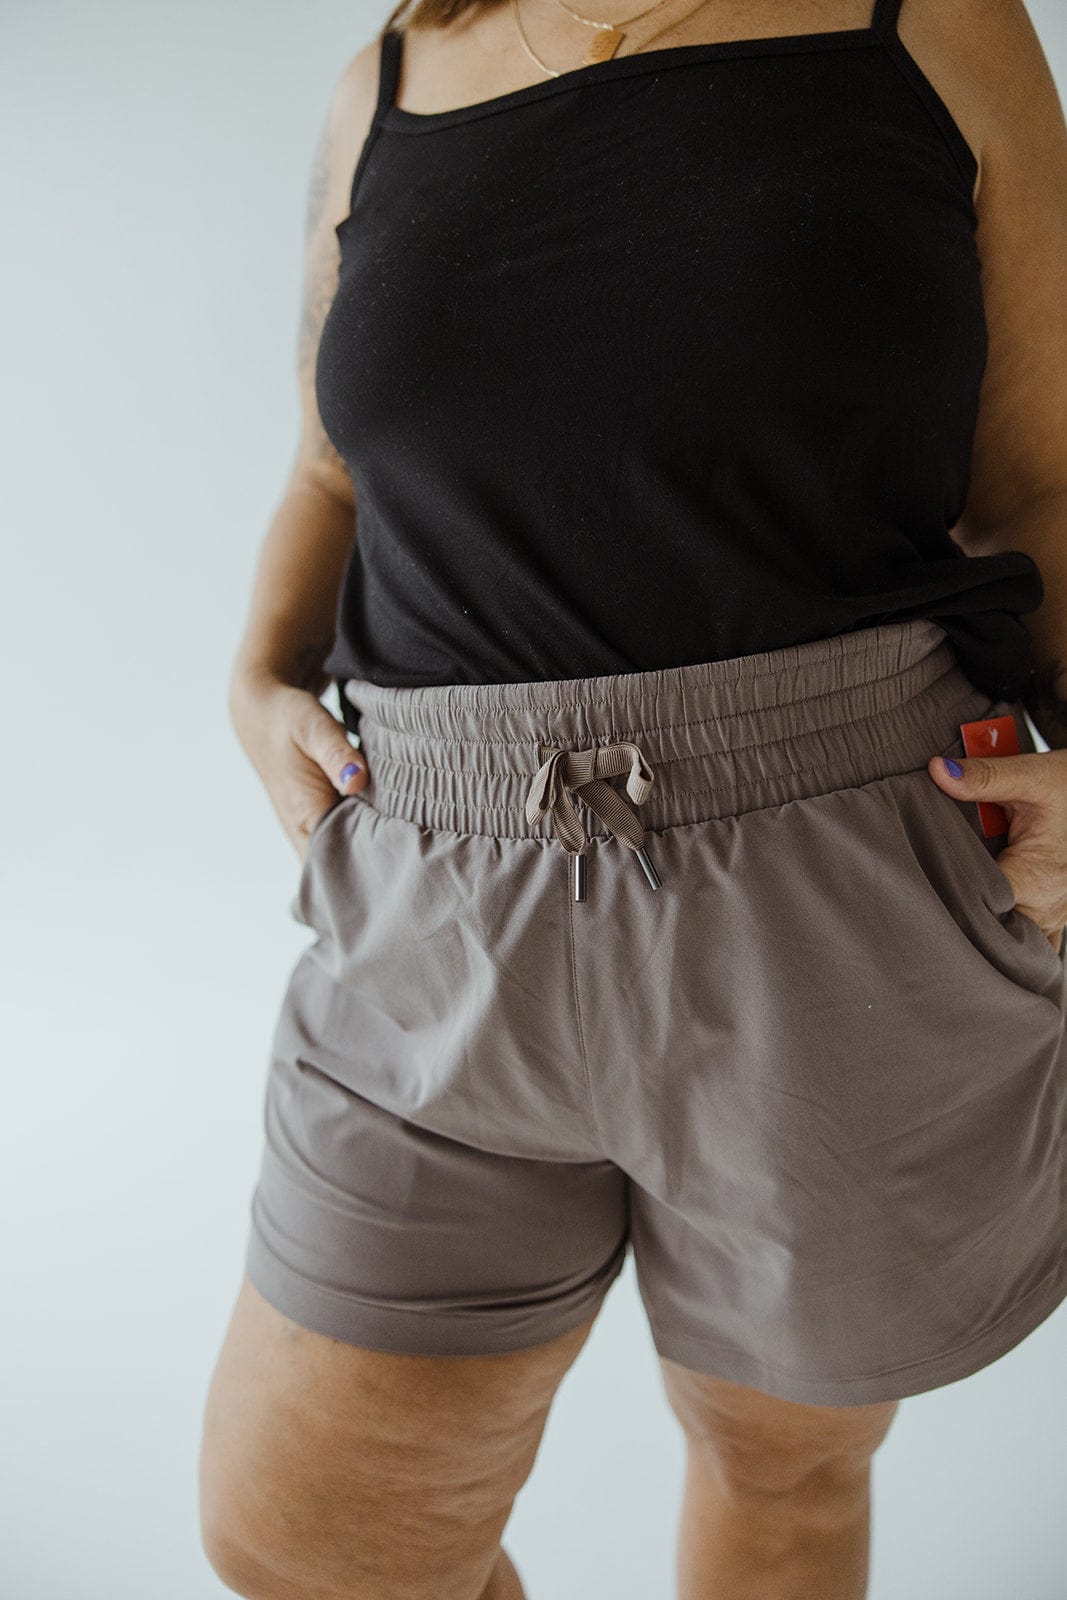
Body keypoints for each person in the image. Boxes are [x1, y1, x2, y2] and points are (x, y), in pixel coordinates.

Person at [198, 1, 1067, 1595]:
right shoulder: (389, 75)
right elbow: (334, 466)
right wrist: (258, 674)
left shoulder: (932, 24)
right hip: (432, 883)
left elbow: (1041, 476)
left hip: (848, 880)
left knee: (783, 1469)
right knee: (305, 1543)